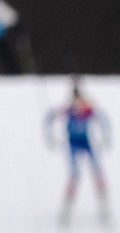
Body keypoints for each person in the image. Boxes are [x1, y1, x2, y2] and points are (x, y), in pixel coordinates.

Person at [44, 79, 112, 225]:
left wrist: (106, 137)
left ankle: (104, 207)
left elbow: (104, 120)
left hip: (86, 144)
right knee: (75, 175)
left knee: (98, 172)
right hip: (73, 145)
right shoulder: (68, 110)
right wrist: (51, 138)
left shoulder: (88, 110)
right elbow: (49, 117)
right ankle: (66, 210)